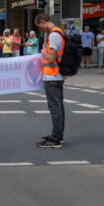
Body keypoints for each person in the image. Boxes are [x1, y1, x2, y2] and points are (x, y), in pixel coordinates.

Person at [34, 13, 66, 148]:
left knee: (55, 107)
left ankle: (55, 138)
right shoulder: (59, 32)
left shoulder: (53, 35)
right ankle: (58, 135)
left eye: (40, 27)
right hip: (58, 75)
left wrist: (43, 52)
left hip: (52, 75)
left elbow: (51, 58)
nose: (41, 30)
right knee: (58, 106)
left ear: (43, 22)